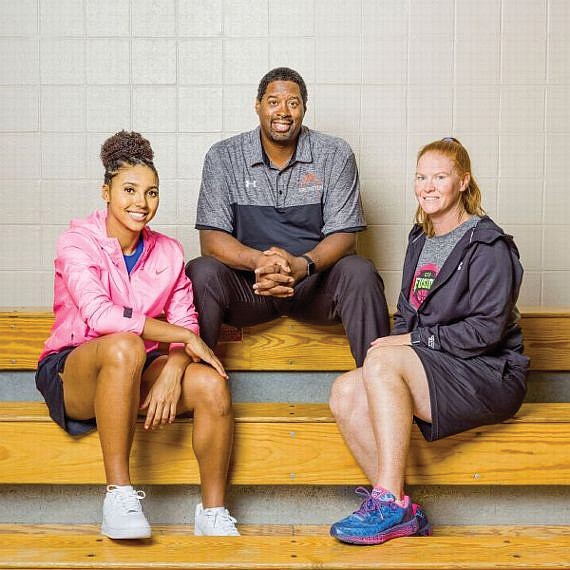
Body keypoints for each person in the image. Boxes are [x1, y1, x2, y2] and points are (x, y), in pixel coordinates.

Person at [35, 131, 239, 539]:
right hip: (74, 369)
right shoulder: (78, 241)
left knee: (211, 383)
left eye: (151, 193)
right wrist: (179, 336)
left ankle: (212, 514)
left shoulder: (168, 251)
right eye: (129, 190)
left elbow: (189, 327)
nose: (141, 204)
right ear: (106, 192)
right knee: (125, 345)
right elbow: (100, 314)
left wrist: (175, 366)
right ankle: (119, 495)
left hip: (137, 364)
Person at [328, 137, 529, 545]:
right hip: (441, 364)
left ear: (463, 182)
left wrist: (410, 342)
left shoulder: (488, 244)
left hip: (490, 373)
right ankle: (400, 508)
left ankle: (385, 502)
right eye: (421, 176)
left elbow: (487, 331)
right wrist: (401, 340)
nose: (428, 186)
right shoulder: (420, 240)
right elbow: (406, 314)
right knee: (345, 390)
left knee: (383, 363)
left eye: (440, 176)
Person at [185, 67, 389, 367]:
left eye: (293, 103)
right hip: (250, 288)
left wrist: (302, 265)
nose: (283, 111)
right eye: (273, 102)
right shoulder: (223, 156)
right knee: (201, 271)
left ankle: (382, 384)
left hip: (313, 286)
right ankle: (196, 385)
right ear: (258, 105)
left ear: (304, 108)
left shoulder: (334, 154)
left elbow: (346, 238)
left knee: (360, 271)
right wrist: (259, 262)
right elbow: (211, 241)